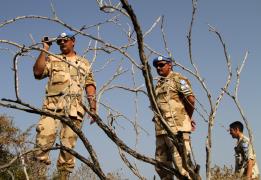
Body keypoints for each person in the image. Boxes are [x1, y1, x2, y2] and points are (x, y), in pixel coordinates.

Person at [33, 30, 96, 179]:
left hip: (74, 110)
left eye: (65, 40)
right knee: (42, 145)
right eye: (59, 42)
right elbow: (37, 73)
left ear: (73, 41)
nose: (62, 43)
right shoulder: (52, 59)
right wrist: (45, 49)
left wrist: (93, 107)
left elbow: (90, 84)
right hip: (51, 108)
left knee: (68, 151)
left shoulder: (84, 63)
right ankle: (37, 177)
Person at [152, 56, 195, 180]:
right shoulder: (159, 84)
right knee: (161, 166)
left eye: (161, 65)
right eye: (156, 66)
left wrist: (187, 117)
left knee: (182, 167)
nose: (158, 68)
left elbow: (191, 100)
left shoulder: (178, 79)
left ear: (169, 65)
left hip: (177, 129)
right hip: (161, 131)